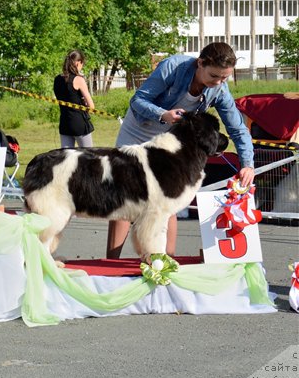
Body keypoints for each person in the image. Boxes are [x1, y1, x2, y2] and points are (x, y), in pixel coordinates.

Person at [106, 42, 255, 259]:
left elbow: (237, 128)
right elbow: (138, 100)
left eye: (225, 78)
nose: (219, 83)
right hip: (140, 130)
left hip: (171, 139)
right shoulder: (172, 66)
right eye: (214, 76)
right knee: (126, 195)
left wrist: (248, 164)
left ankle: (165, 261)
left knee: (170, 196)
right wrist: (163, 114)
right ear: (200, 63)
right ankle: (111, 262)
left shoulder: (220, 89)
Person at [54, 50, 95, 148]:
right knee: (89, 157)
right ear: (78, 63)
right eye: (82, 64)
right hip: (79, 124)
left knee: (66, 158)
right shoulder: (79, 79)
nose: (82, 67)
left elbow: (66, 97)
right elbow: (92, 107)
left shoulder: (57, 79)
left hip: (64, 123)